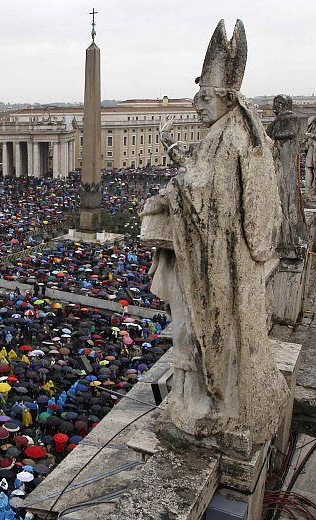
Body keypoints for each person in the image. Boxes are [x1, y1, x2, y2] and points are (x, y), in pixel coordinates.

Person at [141, 19, 288, 446]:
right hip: (209, 257)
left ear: (227, 98)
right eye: (196, 97)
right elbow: (201, 183)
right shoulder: (222, 134)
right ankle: (200, 400)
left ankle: (212, 406)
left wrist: (171, 190)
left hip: (219, 265)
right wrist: (177, 184)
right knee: (192, 333)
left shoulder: (235, 138)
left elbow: (208, 194)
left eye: (203, 98)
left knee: (199, 333)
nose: (196, 106)